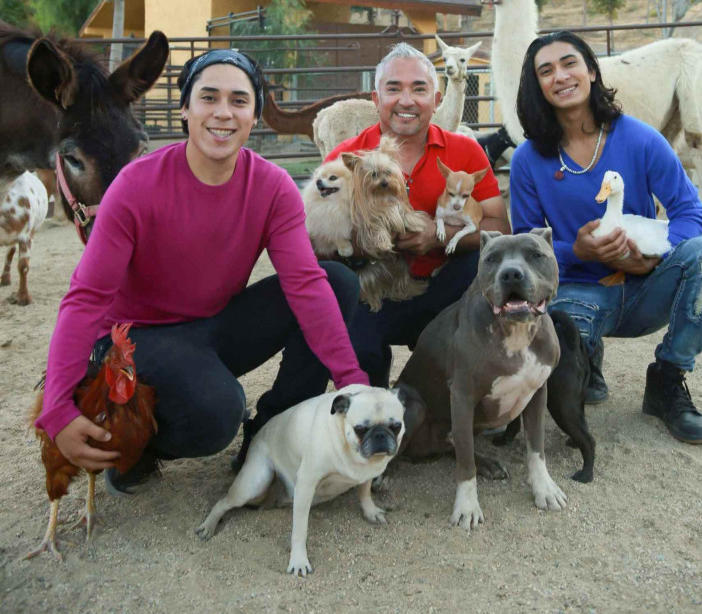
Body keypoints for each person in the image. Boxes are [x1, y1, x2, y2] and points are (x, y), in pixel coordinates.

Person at [36, 48, 368, 491]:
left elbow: (304, 285)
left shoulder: (273, 188)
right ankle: (137, 447)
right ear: (185, 111)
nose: (223, 113)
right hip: (135, 338)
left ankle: (272, 432)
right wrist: (57, 407)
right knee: (217, 412)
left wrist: (354, 384)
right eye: (208, 97)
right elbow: (87, 298)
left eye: (239, 100)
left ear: (254, 115)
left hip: (213, 323)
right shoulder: (134, 187)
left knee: (337, 282)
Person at [509, 30, 702, 444]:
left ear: (591, 71)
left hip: (647, 289)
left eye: (569, 63)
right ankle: (585, 358)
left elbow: (690, 212)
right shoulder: (528, 160)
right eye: (546, 70)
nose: (560, 75)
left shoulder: (641, 139)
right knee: (563, 329)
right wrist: (576, 251)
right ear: (536, 85)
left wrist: (651, 256)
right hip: (577, 292)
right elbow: (523, 246)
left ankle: (667, 379)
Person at [327, 42, 510, 387]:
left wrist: (433, 237)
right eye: (394, 89)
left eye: (419, 89)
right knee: (334, 281)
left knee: (485, 263)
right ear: (376, 99)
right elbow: (313, 235)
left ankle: (465, 384)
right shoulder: (345, 157)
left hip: (443, 290)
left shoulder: (465, 151)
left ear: (437, 100)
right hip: (371, 291)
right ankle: (368, 383)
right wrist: (365, 240)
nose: (407, 101)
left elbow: (499, 226)